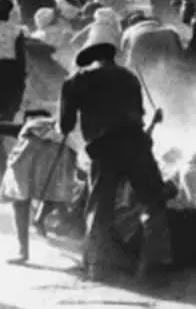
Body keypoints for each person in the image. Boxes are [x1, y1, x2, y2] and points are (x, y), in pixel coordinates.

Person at [58, 23, 171, 281]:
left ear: (89, 56)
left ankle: (96, 266)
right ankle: (151, 265)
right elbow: (137, 117)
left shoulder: (75, 80)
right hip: (136, 145)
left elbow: (65, 125)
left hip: (103, 149)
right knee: (152, 202)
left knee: (100, 206)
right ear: (111, 54)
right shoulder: (130, 78)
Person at [0, 109, 81, 263]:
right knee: (54, 193)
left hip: (37, 157)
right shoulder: (60, 134)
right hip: (58, 153)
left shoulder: (29, 128)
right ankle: (38, 220)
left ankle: (23, 251)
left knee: (21, 200)